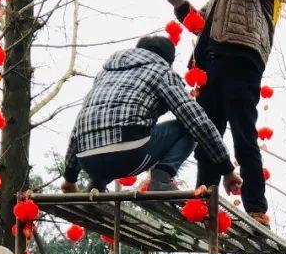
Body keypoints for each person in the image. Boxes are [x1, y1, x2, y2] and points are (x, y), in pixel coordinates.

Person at [166, 0, 275, 227]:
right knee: (207, 133)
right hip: (211, 60)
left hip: (242, 57)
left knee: (243, 134)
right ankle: (204, 200)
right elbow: (200, 24)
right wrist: (180, 5)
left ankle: (256, 206)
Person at [60, 35, 242, 195]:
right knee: (188, 126)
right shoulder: (162, 72)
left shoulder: (104, 75)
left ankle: (96, 185)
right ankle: (162, 178)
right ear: (169, 62)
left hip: (88, 160)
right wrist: (226, 169)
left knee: (102, 131)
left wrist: (70, 177)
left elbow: (79, 126)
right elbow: (196, 120)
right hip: (128, 153)